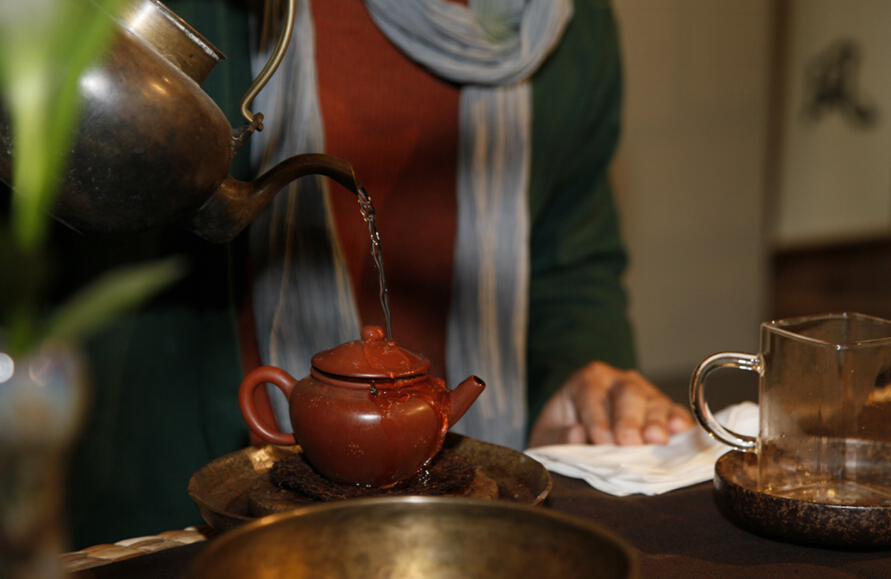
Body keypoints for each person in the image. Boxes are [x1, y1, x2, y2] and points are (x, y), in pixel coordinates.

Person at [58, 0, 691, 550]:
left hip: (476, 511)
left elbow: (572, 264)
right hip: (173, 497)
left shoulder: (569, 23)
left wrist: (576, 376)